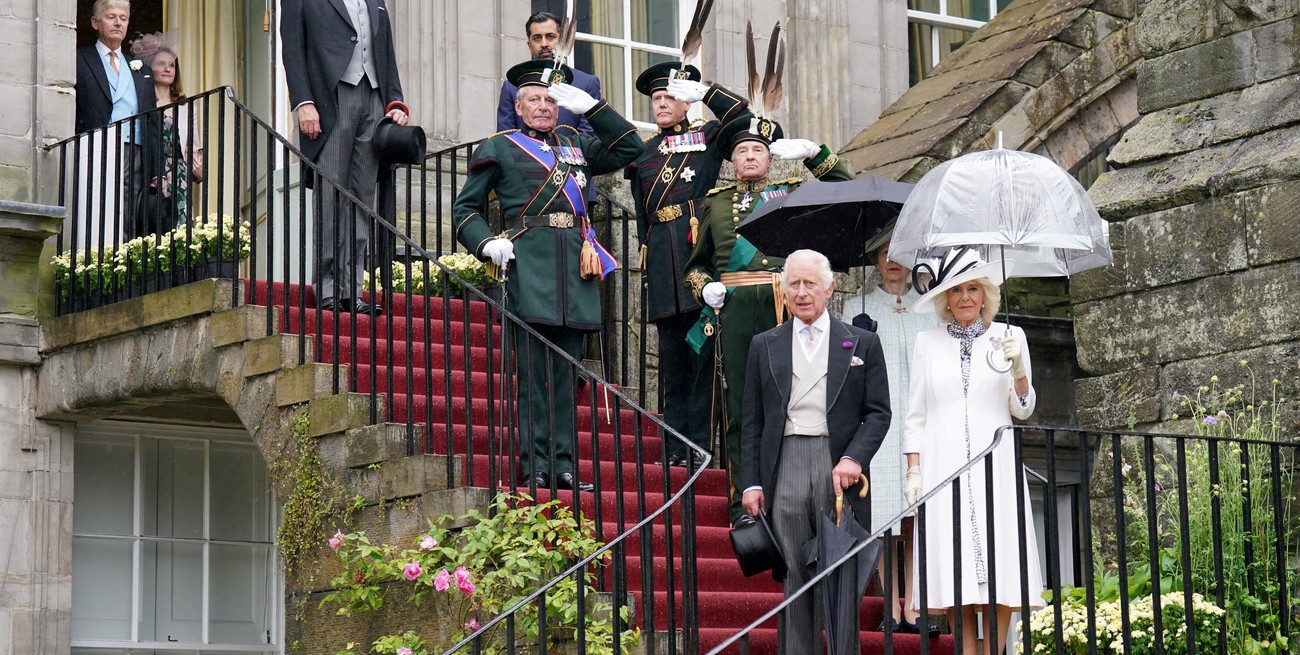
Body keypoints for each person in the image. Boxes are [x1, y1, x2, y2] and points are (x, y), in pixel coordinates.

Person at [453, 59, 641, 492]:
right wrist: (485, 244)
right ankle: (534, 464)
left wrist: (594, 108)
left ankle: (564, 465)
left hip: (575, 270)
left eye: (549, 100)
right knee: (534, 374)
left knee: (565, 374)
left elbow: (631, 149)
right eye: (534, 100)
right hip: (530, 266)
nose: (543, 107)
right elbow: (465, 210)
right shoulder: (499, 147)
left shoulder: (576, 141)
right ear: (518, 108)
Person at [682, 112, 853, 526]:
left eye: (758, 149)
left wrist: (815, 154)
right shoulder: (716, 203)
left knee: (795, 402)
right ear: (732, 161)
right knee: (741, 407)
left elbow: (848, 192)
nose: (750, 157)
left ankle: (790, 497)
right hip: (737, 311)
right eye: (742, 151)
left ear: (771, 158)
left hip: (787, 306)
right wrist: (705, 288)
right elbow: (695, 267)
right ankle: (745, 503)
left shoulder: (792, 193)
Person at [739, 248, 891, 655]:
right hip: (784, 464)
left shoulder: (862, 343)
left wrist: (853, 458)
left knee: (840, 578)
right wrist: (751, 483)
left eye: (810, 284)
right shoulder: (763, 344)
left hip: (836, 466)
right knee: (792, 575)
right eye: (794, 284)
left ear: (829, 288)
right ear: (783, 289)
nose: (802, 292)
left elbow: (879, 414)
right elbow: (751, 422)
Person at [901, 246, 1044, 655]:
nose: (965, 297)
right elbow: (916, 414)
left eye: (973, 289)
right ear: (945, 298)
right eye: (956, 290)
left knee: (1000, 565)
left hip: (994, 461)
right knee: (954, 567)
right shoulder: (927, 342)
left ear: (985, 295)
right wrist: (914, 470)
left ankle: (994, 650)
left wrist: (1019, 372)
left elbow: (1023, 408)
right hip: (943, 464)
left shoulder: (1010, 336)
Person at [625, 62, 749, 468]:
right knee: (672, 363)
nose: (661, 104)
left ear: (685, 104)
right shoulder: (644, 155)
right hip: (663, 263)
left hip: (700, 260)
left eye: (669, 98)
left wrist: (705, 91)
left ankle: (699, 447)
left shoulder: (708, 138)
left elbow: (742, 116)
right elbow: (645, 223)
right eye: (656, 99)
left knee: (703, 361)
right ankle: (674, 447)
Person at [281, 0, 410, 315]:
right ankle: (327, 289)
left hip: (374, 98)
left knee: (362, 198)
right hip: (331, 98)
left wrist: (395, 100)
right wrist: (303, 101)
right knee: (331, 195)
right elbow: (293, 48)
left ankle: (352, 290)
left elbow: (386, 52)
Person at [840, 236, 937, 633]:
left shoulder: (932, 307)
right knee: (882, 515)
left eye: (900, 254)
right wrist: (854, 339)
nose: (892, 262)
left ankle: (913, 606)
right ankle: (890, 606)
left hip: (920, 421)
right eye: (883, 254)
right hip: (878, 422)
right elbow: (844, 369)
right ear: (875, 262)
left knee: (916, 513)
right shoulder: (855, 307)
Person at [74, 0, 159, 242]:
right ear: (95, 22)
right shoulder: (80, 60)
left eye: (123, 17)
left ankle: (126, 269)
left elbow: (151, 120)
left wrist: (156, 170)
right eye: (111, 17)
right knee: (97, 209)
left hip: (136, 150)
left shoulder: (141, 69)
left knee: (131, 212)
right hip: (96, 147)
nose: (118, 22)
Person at [130, 32, 204, 229]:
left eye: (171, 65)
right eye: (161, 64)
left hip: (179, 173)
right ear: (149, 67)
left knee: (180, 225)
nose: (167, 69)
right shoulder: (143, 103)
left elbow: (193, 145)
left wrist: (199, 170)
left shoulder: (186, 107)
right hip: (151, 168)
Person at [496, 12, 602, 136]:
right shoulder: (512, 86)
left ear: (563, 39)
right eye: (537, 38)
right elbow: (505, 138)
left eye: (550, 36)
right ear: (529, 45)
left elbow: (589, 137)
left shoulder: (586, 83)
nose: (544, 44)